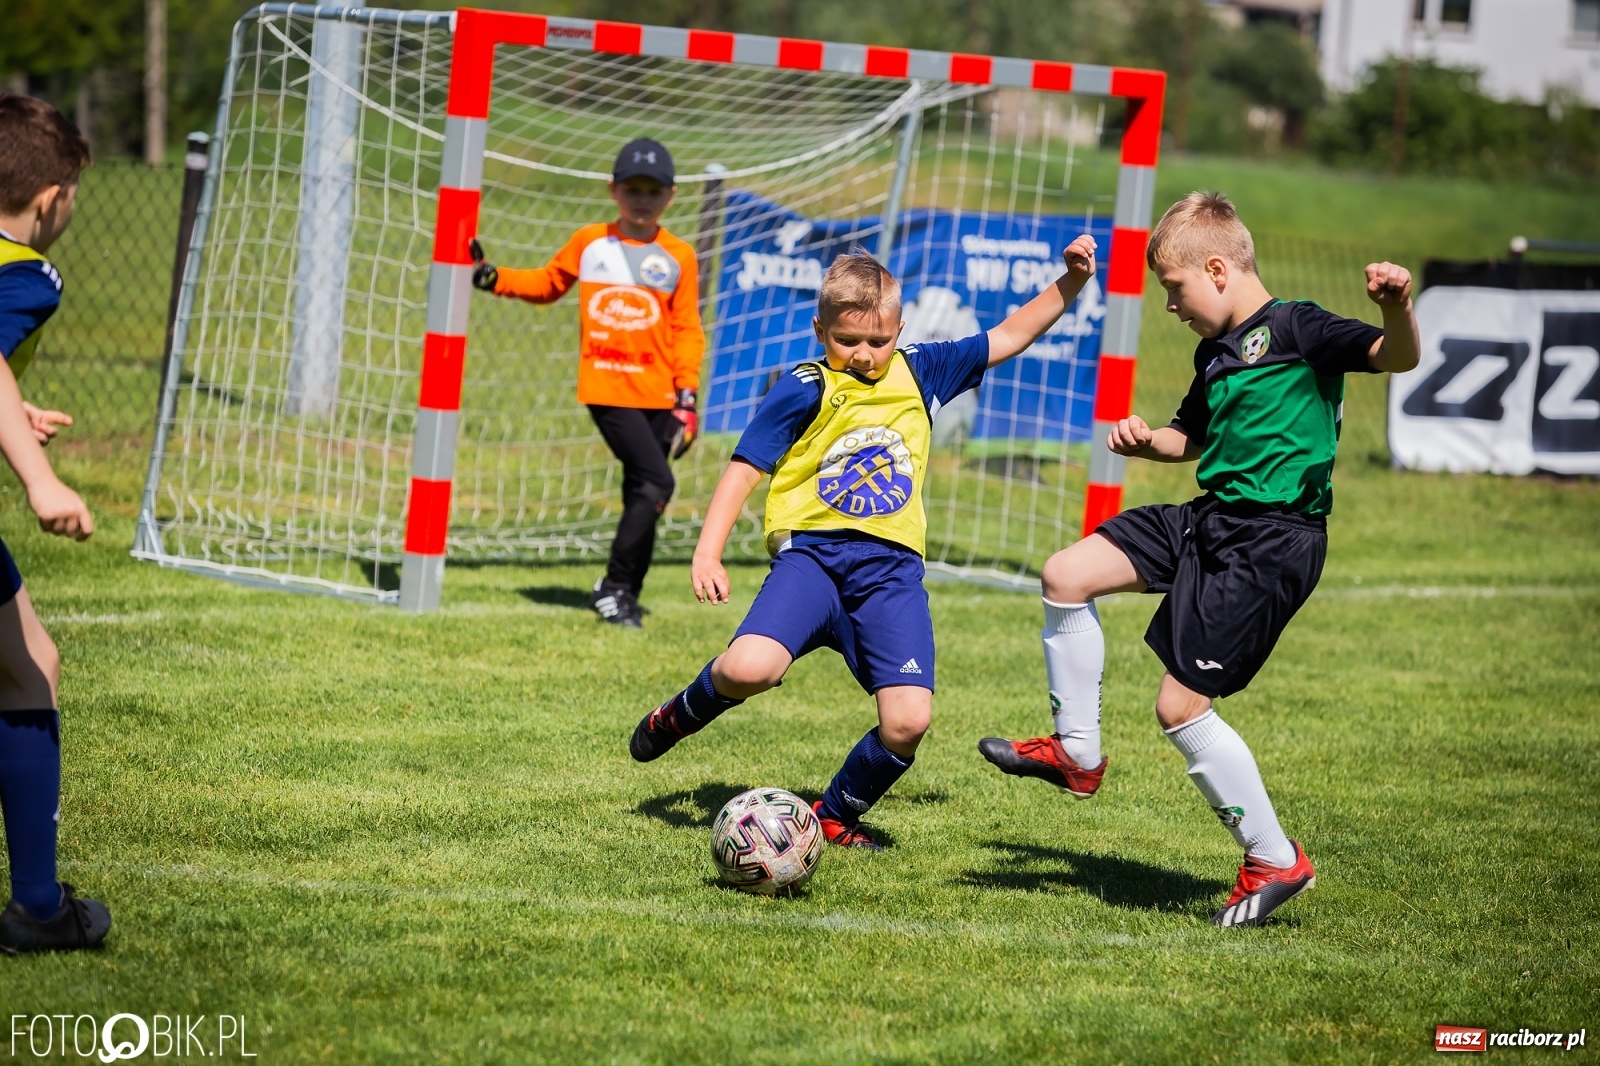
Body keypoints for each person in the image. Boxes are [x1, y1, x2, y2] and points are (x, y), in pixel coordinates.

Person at [978, 191, 1420, 926]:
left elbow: (1395, 355)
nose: (1171, 306)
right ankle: (1077, 755)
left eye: (1175, 289)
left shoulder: (1299, 327)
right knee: (1066, 573)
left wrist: (1398, 305)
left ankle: (1275, 859)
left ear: (1217, 268)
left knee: (1180, 707)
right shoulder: (1213, 351)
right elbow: (1191, 439)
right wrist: (1147, 440)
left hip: (1272, 540)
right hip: (1208, 518)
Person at [629, 236, 1100, 849]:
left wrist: (1070, 284)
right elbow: (744, 468)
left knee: (909, 720)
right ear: (819, 329)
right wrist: (706, 551)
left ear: (900, 329)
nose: (863, 354)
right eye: (846, 340)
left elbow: (1009, 335)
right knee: (749, 668)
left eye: (878, 341)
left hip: (890, 576)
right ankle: (680, 713)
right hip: (813, 562)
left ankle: (833, 817)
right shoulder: (802, 386)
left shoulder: (923, 370)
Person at [470, 138, 704, 627]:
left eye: (653, 190)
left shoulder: (679, 255)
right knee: (658, 482)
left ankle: (625, 595)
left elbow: (686, 329)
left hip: (661, 395)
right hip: (607, 388)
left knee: (642, 492)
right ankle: (615, 587)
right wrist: (497, 278)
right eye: (632, 188)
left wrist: (687, 395)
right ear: (613, 190)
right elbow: (548, 283)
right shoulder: (590, 242)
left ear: (671, 195)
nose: (642, 198)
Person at [0, 93, 112, 954]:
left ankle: (39, 903)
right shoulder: (27, 274)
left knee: (32, 658)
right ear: (51, 200)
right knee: (31, 671)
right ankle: (38, 907)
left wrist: (15, 408)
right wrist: (39, 480)